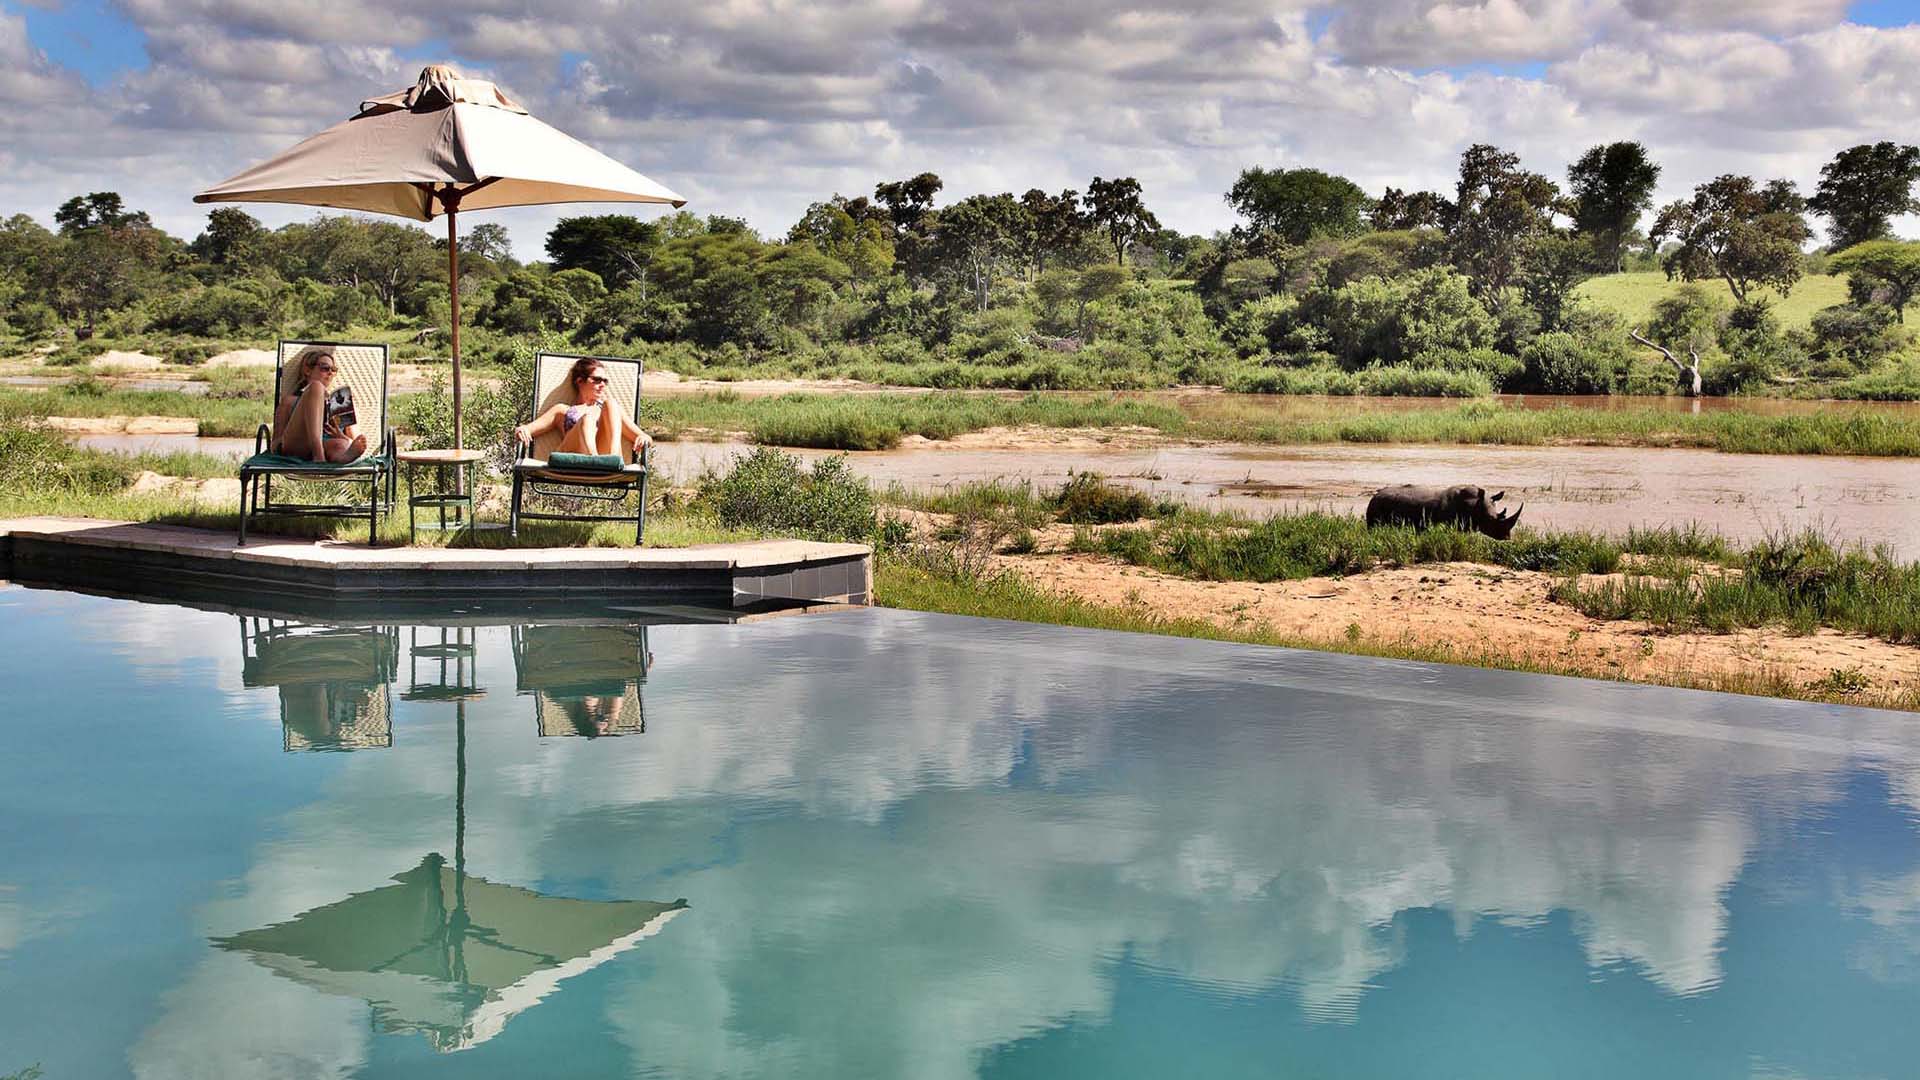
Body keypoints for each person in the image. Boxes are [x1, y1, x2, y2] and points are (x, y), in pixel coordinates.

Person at [512, 358, 652, 460]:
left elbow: (644, 437)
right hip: (573, 456)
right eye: (597, 380)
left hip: (605, 459)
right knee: (588, 420)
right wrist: (522, 429)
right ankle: (593, 459)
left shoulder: (610, 412)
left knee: (611, 404)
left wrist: (643, 438)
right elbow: (528, 429)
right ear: (579, 381)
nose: (602, 385)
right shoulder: (562, 410)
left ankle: (613, 458)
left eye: (605, 381)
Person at [272, 346, 368, 462]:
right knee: (316, 387)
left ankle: (341, 458)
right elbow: (275, 443)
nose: (330, 373)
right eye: (325, 368)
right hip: (298, 445)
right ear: (307, 370)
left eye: (333, 370)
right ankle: (318, 454)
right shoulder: (290, 401)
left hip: (328, 445)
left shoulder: (340, 402)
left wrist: (342, 437)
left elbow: (357, 441)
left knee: (340, 444)